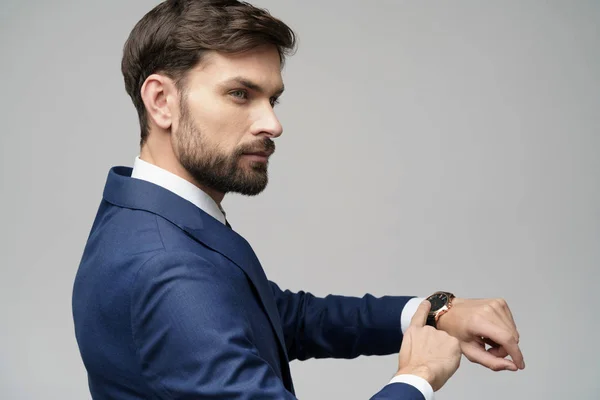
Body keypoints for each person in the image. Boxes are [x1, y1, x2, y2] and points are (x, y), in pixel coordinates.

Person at [72, 1, 525, 399]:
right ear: (161, 101)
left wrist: (433, 311)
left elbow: (284, 317)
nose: (272, 124)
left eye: (273, 99)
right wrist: (418, 376)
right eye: (240, 94)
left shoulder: (148, 213)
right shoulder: (166, 266)